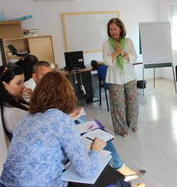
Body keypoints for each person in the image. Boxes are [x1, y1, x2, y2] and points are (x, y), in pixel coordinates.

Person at [0, 65, 144, 180]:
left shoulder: (27, 116)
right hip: (43, 180)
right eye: (18, 83)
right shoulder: (18, 112)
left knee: (86, 130)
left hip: (10, 181)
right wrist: (95, 151)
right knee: (97, 157)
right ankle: (123, 177)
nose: (23, 87)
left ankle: (122, 174)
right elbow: (87, 171)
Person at [103, 18, 138, 137]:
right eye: (111, 29)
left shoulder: (128, 41)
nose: (113, 31)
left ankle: (132, 124)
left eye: (115, 29)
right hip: (114, 78)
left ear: (121, 29)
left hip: (130, 76)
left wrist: (123, 53)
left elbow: (134, 56)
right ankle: (121, 129)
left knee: (132, 102)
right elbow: (107, 61)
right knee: (118, 105)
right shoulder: (107, 43)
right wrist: (116, 52)